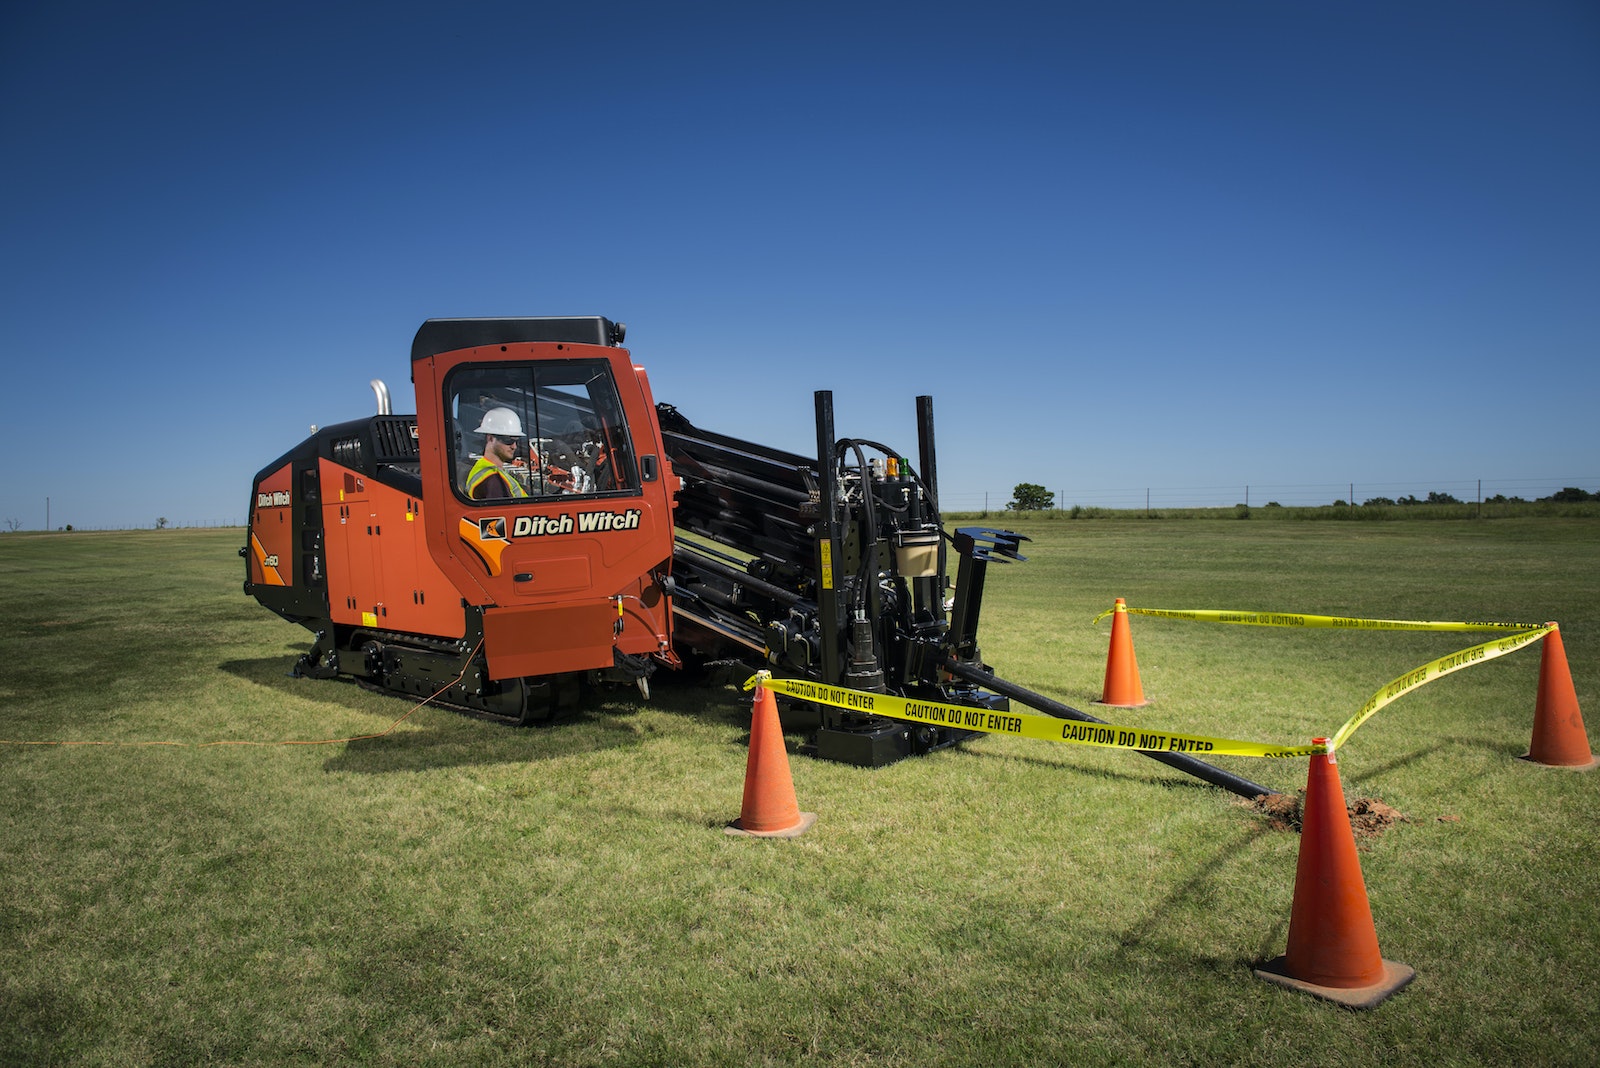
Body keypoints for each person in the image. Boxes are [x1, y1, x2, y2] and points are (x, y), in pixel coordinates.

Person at [465, 407, 530, 500]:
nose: (514, 446)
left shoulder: (485, 467)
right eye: (508, 440)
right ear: (490, 438)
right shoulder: (492, 479)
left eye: (516, 441)